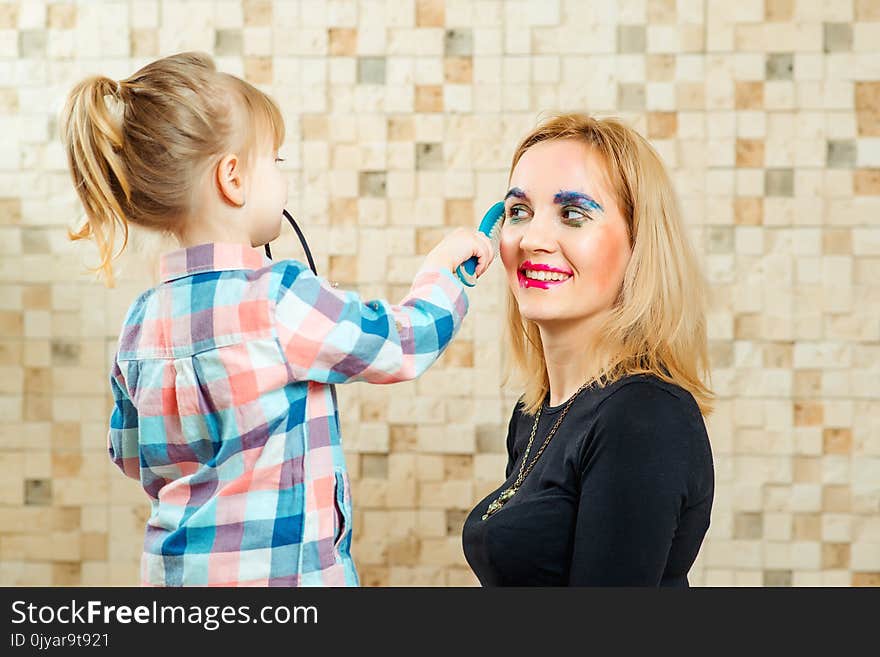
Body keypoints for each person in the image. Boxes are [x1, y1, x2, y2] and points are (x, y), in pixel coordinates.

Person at [60, 51, 493, 586]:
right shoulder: (280, 296)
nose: (282, 177)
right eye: (276, 161)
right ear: (233, 178)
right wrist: (443, 277)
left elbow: (129, 456)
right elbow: (403, 344)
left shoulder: (139, 322)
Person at [462, 113, 715, 586]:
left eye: (573, 215)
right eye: (518, 212)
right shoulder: (535, 412)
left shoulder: (643, 416)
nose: (532, 239)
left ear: (639, 245)